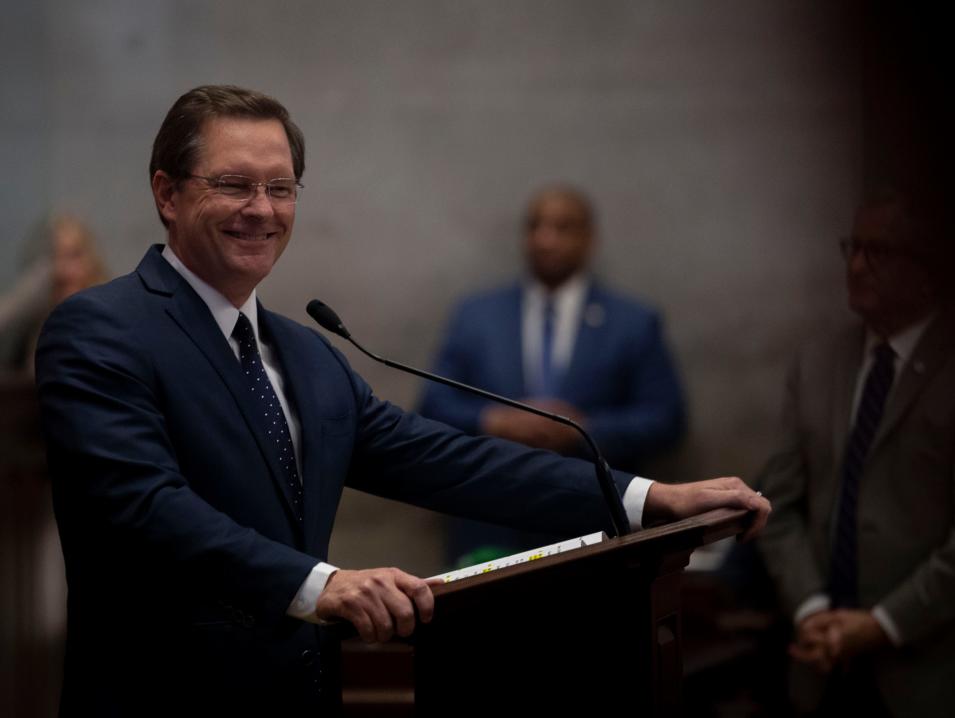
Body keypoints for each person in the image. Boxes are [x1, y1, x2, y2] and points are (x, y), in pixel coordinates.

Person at [35, 85, 769, 715]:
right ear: (167, 192)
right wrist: (320, 585)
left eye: (281, 188)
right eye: (233, 184)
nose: (261, 209)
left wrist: (645, 499)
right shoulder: (101, 328)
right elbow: (142, 506)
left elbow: (452, 461)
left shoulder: (306, 351)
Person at [756, 190, 955, 717]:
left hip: (927, 667)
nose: (856, 265)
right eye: (852, 247)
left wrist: (882, 624)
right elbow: (777, 504)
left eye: (879, 251)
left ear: (928, 265)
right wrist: (813, 609)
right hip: (819, 662)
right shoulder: (818, 362)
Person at [418, 185, 685, 562]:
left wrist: (583, 430)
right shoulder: (477, 315)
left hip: (593, 522)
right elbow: (432, 404)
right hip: (489, 520)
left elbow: (666, 418)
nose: (545, 240)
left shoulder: (633, 322)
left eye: (563, 227)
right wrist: (496, 420)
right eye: (535, 226)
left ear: (589, 238)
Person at [0, 214, 107, 373]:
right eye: (55, 257)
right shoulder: (38, 324)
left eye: (74, 255)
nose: (63, 270)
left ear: (91, 260)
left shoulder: (108, 320)